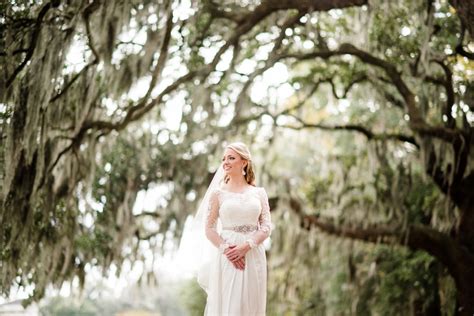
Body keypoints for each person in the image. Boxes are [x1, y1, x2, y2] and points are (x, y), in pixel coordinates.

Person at [195, 142, 272, 316]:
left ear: (244, 162)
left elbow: (266, 226)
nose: (225, 162)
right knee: (231, 305)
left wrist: (247, 245)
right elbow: (209, 229)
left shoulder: (259, 193)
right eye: (224, 159)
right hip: (228, 255)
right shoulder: (218, 194)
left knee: (251, 304)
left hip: (253, 254)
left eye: (231, 158)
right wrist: (227, 249)